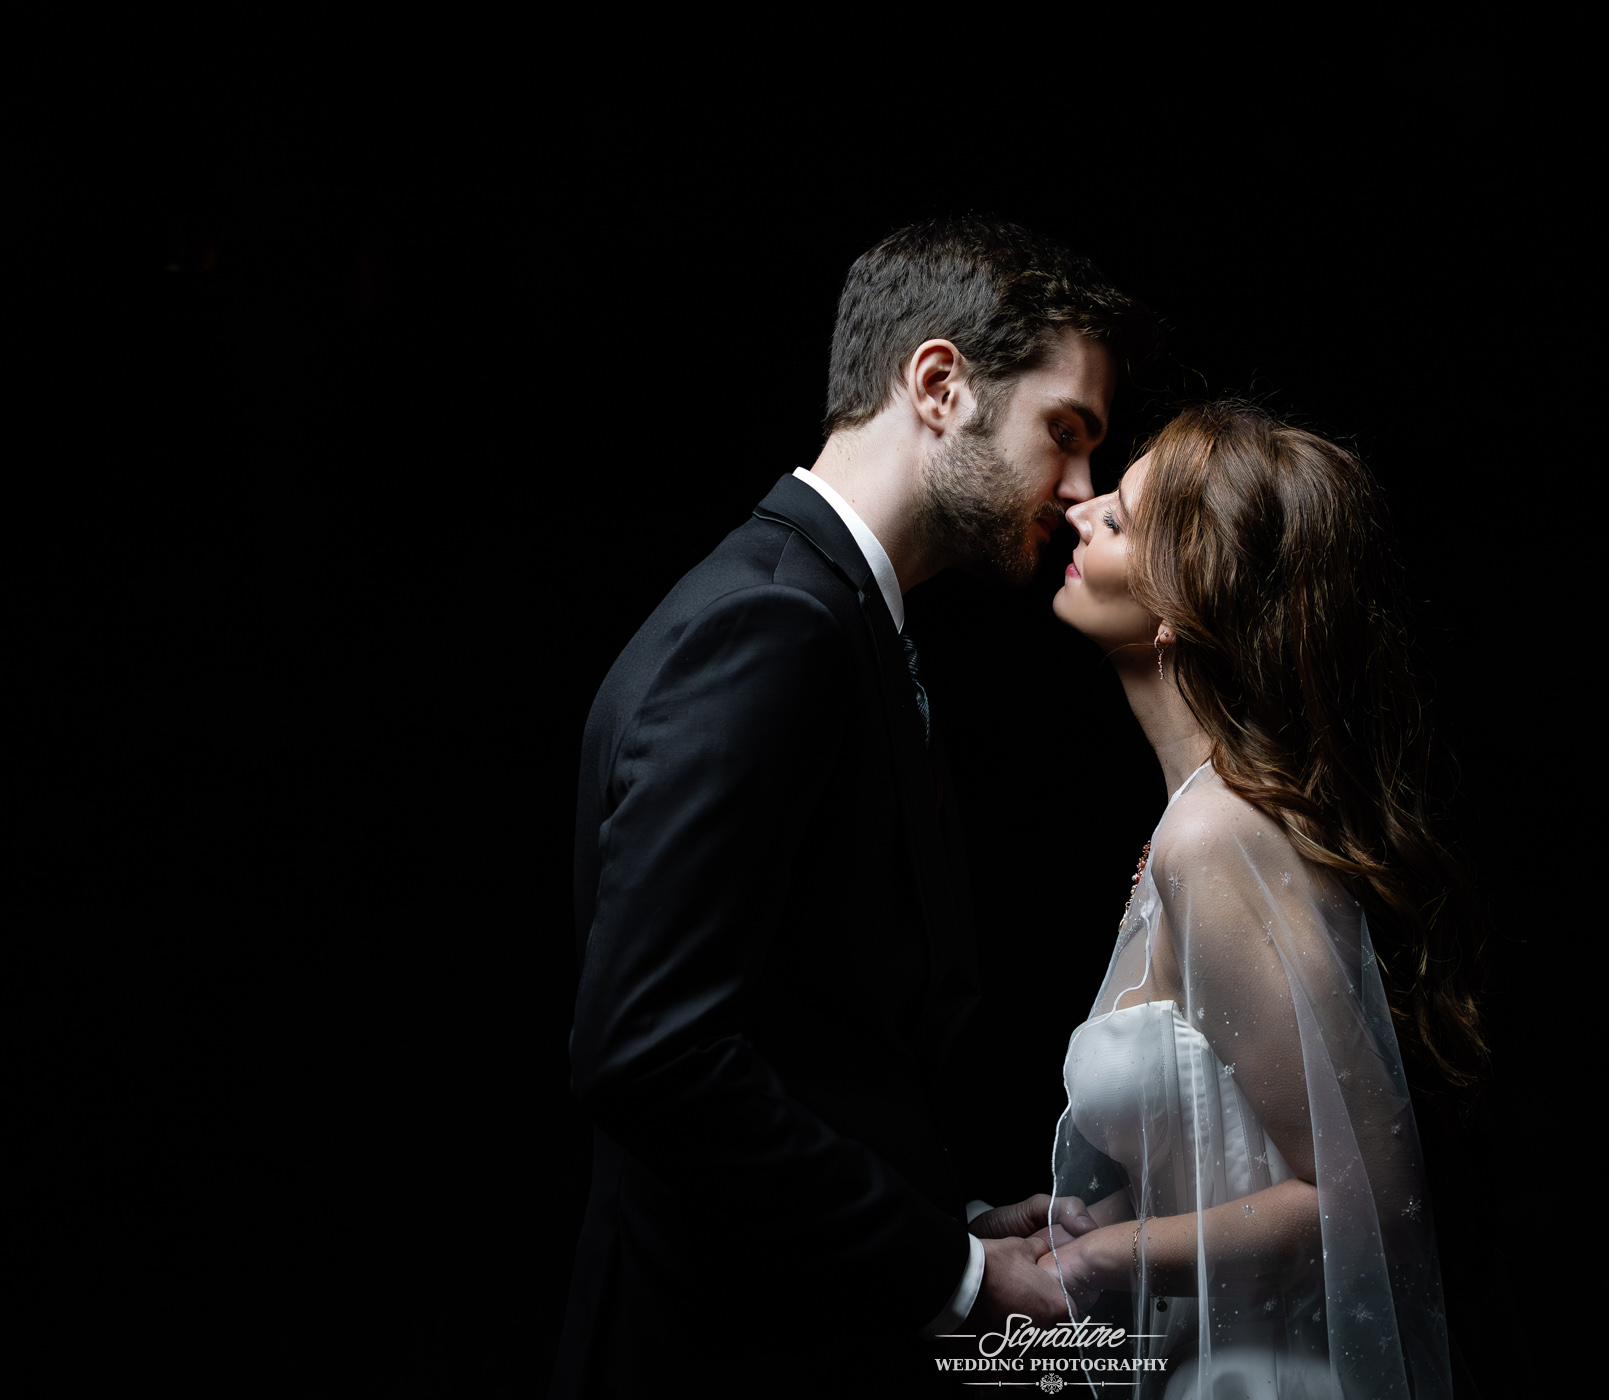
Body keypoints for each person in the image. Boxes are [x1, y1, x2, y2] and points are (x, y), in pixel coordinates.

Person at [549, 216, 1151, 1396]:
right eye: (1064, 433)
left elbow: (808, 1034)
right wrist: (959, 1275)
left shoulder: (834, 614)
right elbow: (648, 1051)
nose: (1082, 489)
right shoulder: (772, 625)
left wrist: (957, 1220)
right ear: (939, 385)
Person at [1033, 402, 1491, 1399]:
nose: (1077, 512)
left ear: (1179, 602)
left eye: (1116, 518)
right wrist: (1083, 1223)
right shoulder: (1194, 826)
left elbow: (1365, 1190)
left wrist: (1108, 1261)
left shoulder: (1216, 837)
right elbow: (1222, 1148)